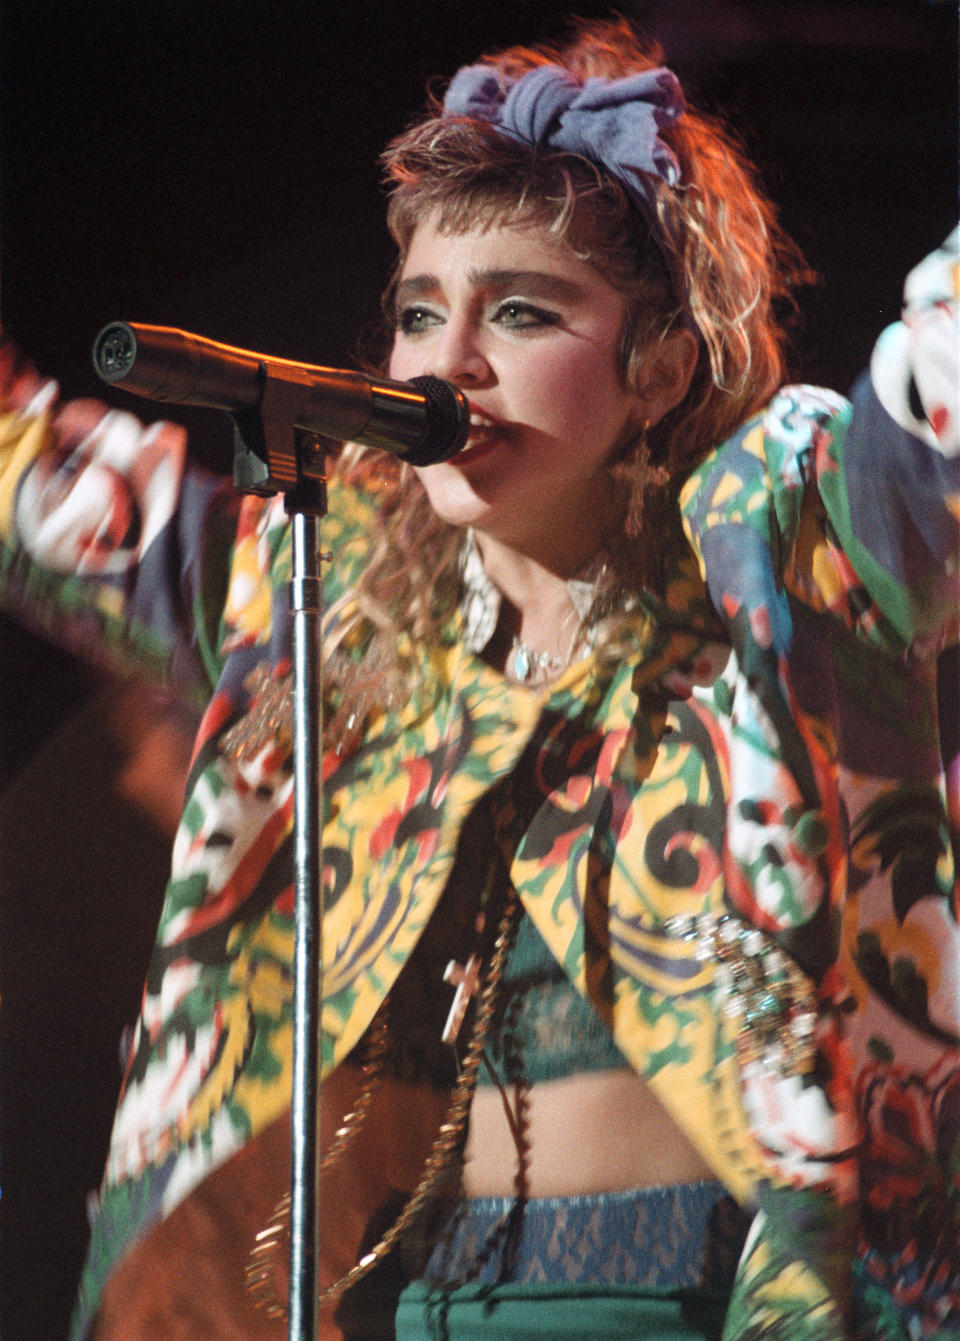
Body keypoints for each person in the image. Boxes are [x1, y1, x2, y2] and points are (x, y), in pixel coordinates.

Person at [0, 16, 956, 1341]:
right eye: (418, 313)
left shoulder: (789, 564)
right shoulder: (321, 609)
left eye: (518, 311)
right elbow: (30, 478)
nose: (446, 363)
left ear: (659, 363)